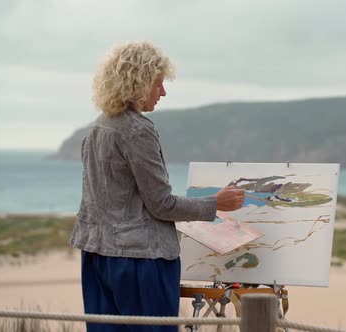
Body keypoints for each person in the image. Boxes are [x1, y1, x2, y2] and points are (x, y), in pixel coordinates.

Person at [69, 41, 245, 332]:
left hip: (97, 257)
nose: (163, 92)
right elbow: (162, 204)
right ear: (137, 82)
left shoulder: (97, 127)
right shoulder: (137, 130)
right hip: (140, 262)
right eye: (158, 83)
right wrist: (216, 203)